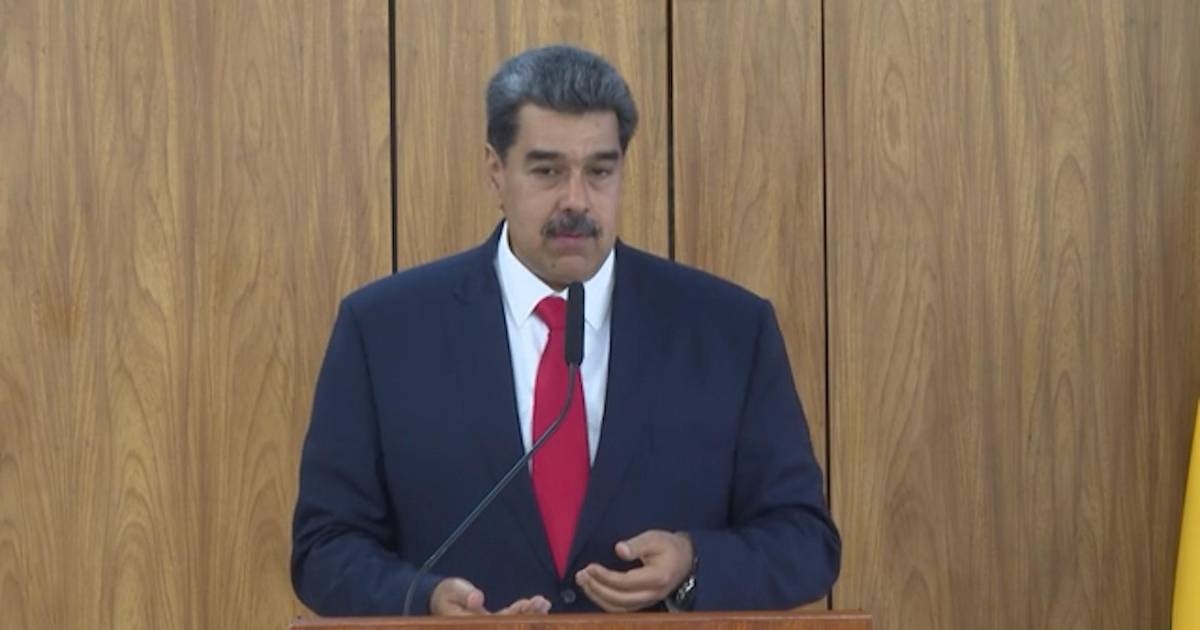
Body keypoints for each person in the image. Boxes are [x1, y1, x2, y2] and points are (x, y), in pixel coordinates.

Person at [291, 44, 840, 617]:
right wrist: (423, 600)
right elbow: (325, 548)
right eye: (547, 171)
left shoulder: (729, 331)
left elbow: (806, 542)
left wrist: (693, 562)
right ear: (496, 171)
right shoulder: (384, 332)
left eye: (599, 171)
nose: (575, 200)